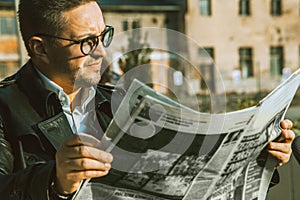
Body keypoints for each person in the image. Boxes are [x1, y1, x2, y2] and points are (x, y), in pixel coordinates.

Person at [0, 0, 295, 199]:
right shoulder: (6, 108)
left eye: (104, 36)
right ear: (40, 48)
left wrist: (260, 157)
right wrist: (55, 181)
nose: (102, 52)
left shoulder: (123, 102)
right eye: (87, 42)